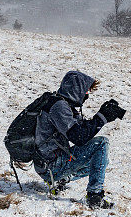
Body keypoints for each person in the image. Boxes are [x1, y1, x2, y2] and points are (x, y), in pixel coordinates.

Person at [33, 70, 124, 208]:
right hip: (51, 165)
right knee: (101, 144)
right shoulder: (59, 107)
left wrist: (101, 115)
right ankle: (95, 197)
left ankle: (60, 181)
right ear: (77, 90)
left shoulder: (61, 103)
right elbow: (79, 137)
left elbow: (81, 130)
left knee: (101, 160)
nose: (87, 95)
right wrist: (101, 118)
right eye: (86, 91)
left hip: (47, 163)